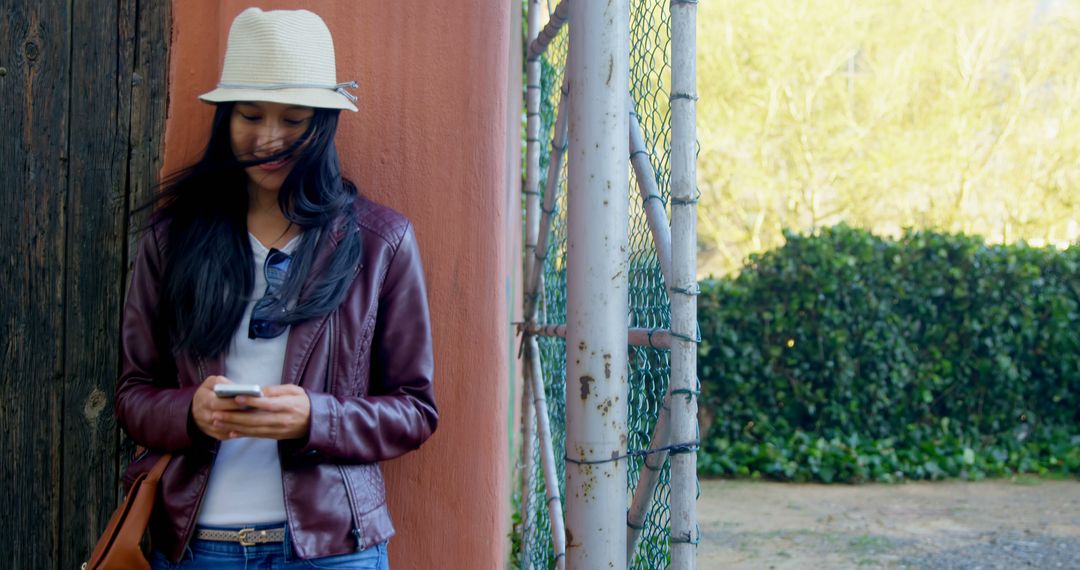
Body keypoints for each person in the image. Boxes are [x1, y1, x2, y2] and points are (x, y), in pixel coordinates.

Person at [114, 8, 437, 569]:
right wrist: (192, 412)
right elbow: (133, 394)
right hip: (197, 547)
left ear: (325, 122)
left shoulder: (381, 242)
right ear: (225, 119)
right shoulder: (172, 238)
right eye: (251, 115)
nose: (268, 139)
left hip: (332, 550)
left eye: (293, 120)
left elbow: (415, 410)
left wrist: (316, 418)